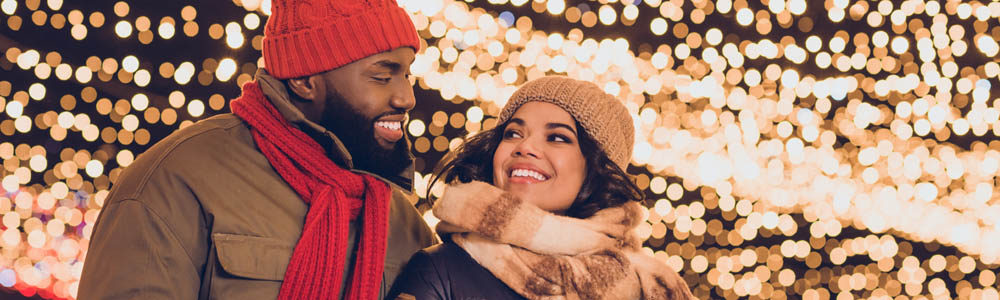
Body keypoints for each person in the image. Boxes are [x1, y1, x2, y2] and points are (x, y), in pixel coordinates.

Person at [78, 0, 436, 299]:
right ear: (303, 79)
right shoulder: (177, 181)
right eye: (382, 76)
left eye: (407, 75)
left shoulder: (401, 221)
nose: (406, 97)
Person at [390, 76, 695, 299]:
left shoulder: (652, 284)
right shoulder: (441, 270)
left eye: (558, 138)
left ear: (597, 168)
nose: (525, 146)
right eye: (512, 133)